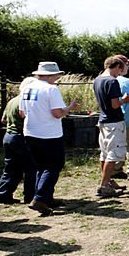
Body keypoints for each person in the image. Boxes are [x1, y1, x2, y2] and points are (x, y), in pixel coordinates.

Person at [20, 61, 77, 216]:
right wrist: (69, 108)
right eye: (57, 74)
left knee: (41, 167)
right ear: (52, 75)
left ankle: (45, 197)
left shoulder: (26, 88)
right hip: (49, 134)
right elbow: (57, 113)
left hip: (30, 132)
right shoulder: (51, 89)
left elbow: (22, 113)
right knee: (53, 166)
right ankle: (39, 199)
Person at [0, 77, 37, 205]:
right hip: (22, 137)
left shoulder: (13, 100)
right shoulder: (26, 101)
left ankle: (2, 195)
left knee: (11, 168)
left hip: (8, 136)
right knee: (31, 168)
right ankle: (31, 196)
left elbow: (3, 120)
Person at [93, 56, 129, 198]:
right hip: (114, 122)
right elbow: (115, 104)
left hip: (103, 121)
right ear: (115, 67)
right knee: (113, 154)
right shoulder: (111, 81)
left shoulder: (97, 80)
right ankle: (104, 185)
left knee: (104, 153)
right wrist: (125, 99)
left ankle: (108, 181)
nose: (119, 74)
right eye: (119, 70)